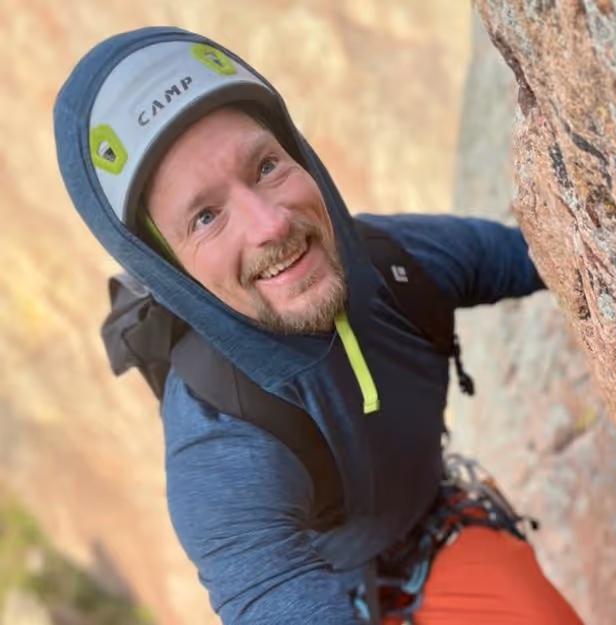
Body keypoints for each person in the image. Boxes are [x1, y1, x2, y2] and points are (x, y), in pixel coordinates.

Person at [54, 27, 584, 625]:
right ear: (168, 269)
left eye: (266, 166)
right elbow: (265, 589)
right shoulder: (221, 436)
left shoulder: (396, 264)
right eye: (205, 217)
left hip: (430, 537)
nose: (270, 225)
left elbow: (559, 256)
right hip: (341, 582)